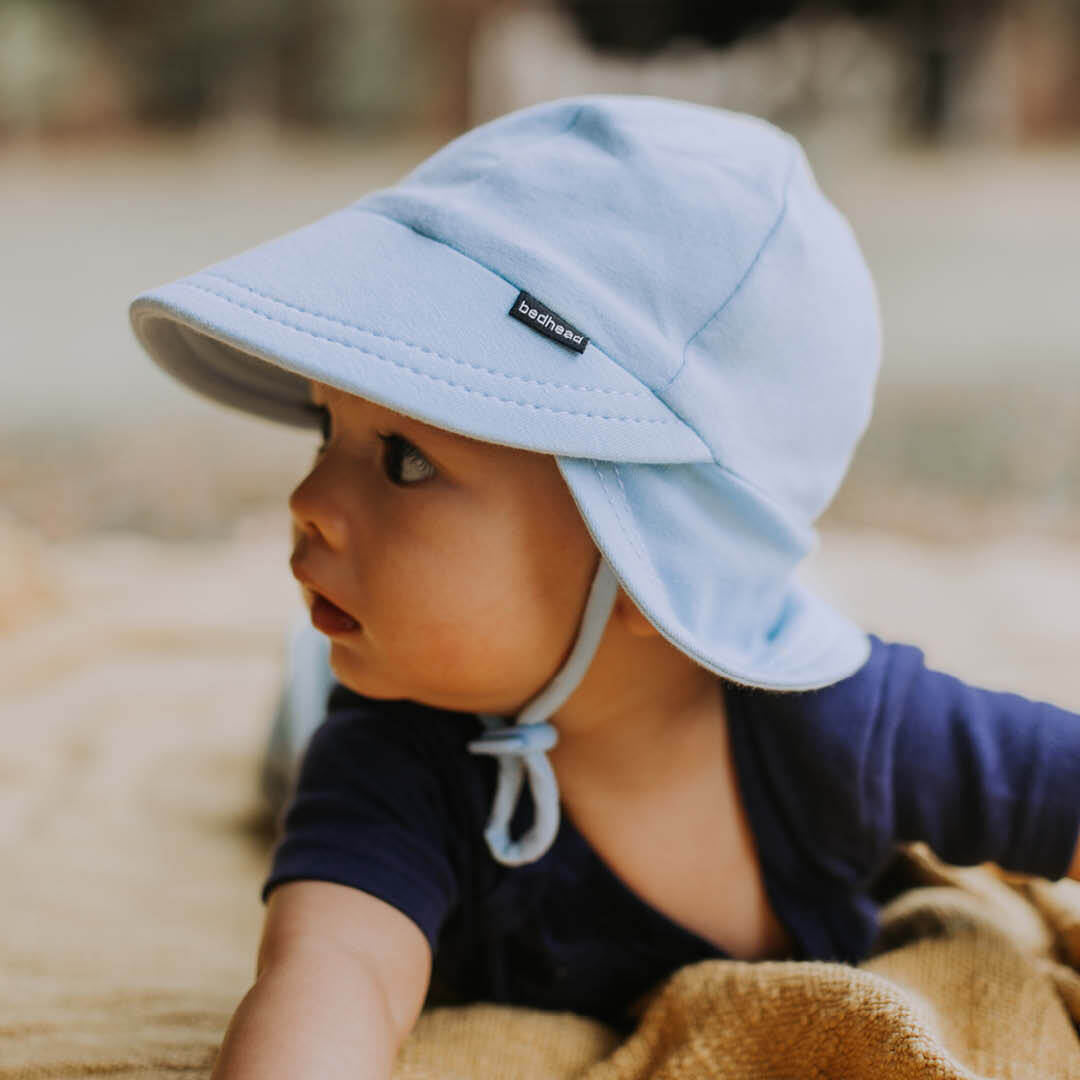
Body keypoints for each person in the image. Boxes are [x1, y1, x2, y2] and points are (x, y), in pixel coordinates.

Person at [128, 94, 1080, 1079]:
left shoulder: (843, 730)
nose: (308, 500)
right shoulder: (391, 746)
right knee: (302, 707)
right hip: (341, 685)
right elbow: (337, 970)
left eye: (406, 459)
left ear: (650, 559)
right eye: (329, 427)